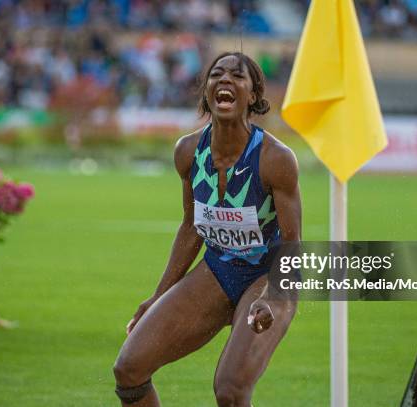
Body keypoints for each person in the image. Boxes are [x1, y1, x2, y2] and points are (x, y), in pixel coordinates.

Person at [113, 51, 302, 407]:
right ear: (206, 92)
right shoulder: (187, 151)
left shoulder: (275, 159)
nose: (226, 80)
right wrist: (157, 296)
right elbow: (190, 228)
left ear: (254, 96)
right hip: (218, 270)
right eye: (217, 74)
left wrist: (271, 297)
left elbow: (292, 246)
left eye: (238, 76)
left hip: (269, 276)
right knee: (128, 369)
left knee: (230, 391)